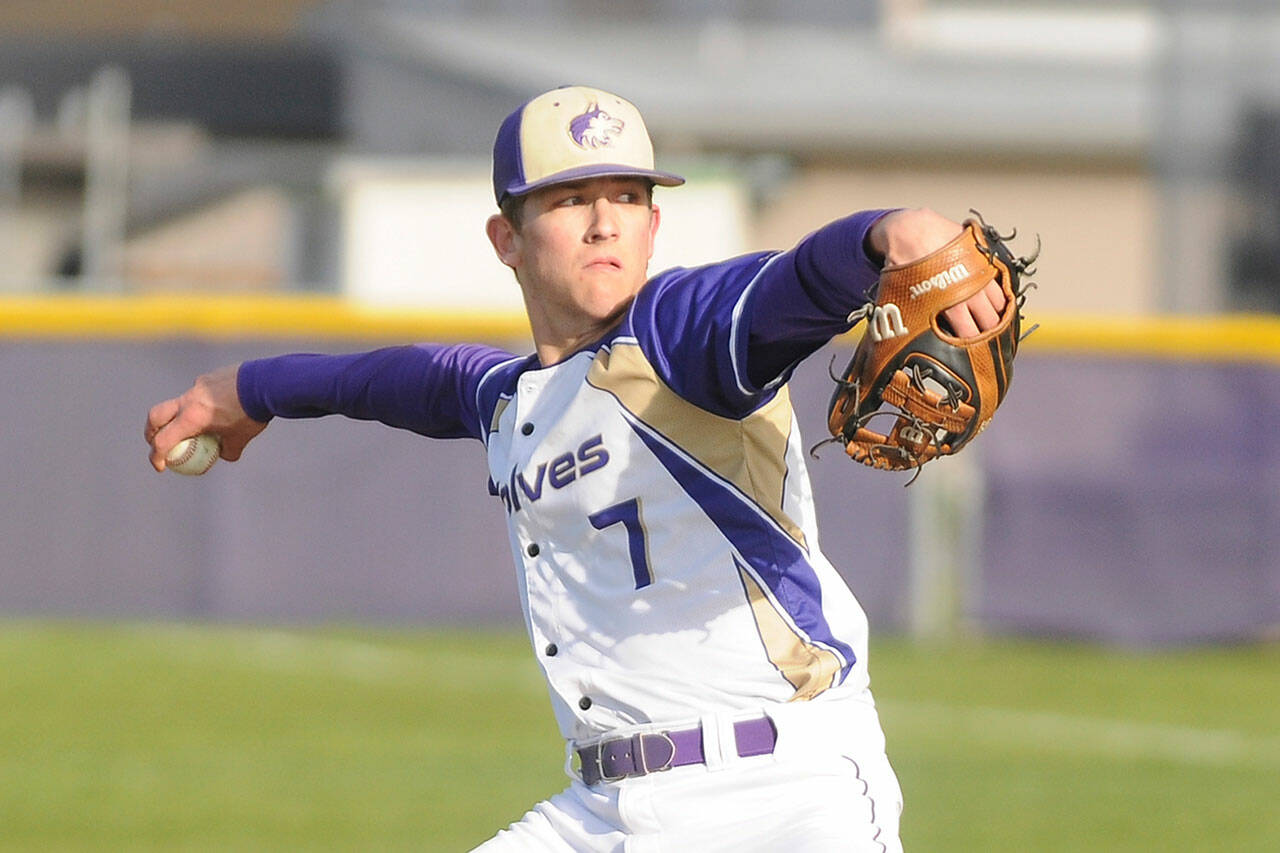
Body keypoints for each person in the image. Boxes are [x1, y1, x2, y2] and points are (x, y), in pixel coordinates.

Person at [145, 85, 1007, 851]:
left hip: (778, 794)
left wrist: (883, 236)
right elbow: (396, 379)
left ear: (653, 223)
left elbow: (789, 287)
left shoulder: (679, 335)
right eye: (570, 199)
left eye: (627, 196)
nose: (605, 221)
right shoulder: (510, 400)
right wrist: (249, 389)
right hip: (607, 808)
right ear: (506, 238)